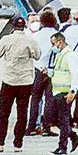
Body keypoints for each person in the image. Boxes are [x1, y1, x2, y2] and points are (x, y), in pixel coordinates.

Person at [0, 17, 40, 153]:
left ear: (13, 27)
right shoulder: (31, 40)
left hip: (9, 80)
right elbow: (38, 55)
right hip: (26, 81)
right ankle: (18, 144)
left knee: (4, 113)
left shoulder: (7, 39)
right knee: (22, 113)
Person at [49, 32, 78, 155]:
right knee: (53, 118)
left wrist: (72, 91)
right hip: (57, 91)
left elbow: (76, 74)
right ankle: (73, 136)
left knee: (63, 120)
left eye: (53, 43)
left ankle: (62, 146)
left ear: (60, 42)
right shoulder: (60, 55)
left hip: (65, 92)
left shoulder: (70, 56)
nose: (52, 46)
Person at [27, 9, 59, 137]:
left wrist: (40, 67)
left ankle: (32, 126)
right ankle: (47, 126)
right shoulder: (58, 36)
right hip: (52, 70)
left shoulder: (35, 36)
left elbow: (32, 54)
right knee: (49, 99)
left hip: (38, 70)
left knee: (35, 99)